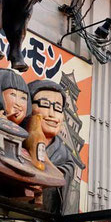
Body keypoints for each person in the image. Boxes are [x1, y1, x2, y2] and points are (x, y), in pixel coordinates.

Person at [27, 79, 76, 214]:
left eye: (58, 108)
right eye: (44, 105)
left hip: (47, 217)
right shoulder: (18, 139)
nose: (52, 114)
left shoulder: (65, 155)